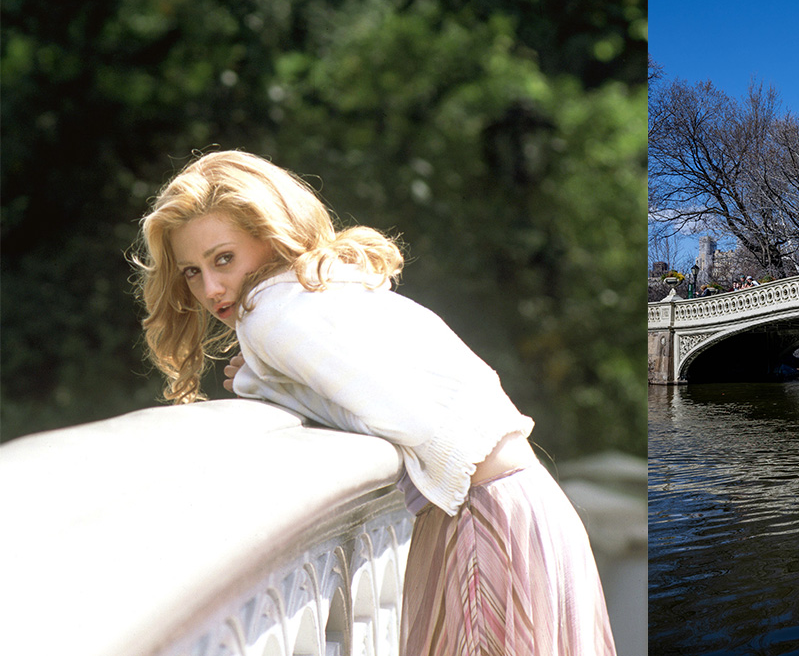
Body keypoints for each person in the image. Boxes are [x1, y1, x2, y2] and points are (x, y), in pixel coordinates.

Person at [134, 150, 616, 656]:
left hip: (484, 520)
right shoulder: (323, 287)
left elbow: (407, 421)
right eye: (191, 271)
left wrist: (266, 385)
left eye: (224, 258)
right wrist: (277, 382)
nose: (210, 288)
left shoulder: (271, 313)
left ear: (268, 233)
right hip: (527, 507)